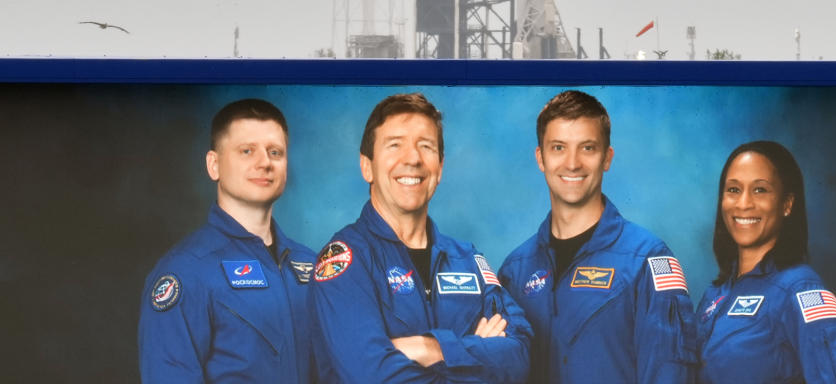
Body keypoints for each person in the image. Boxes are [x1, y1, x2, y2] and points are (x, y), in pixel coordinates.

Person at [308, 92, 532, 383]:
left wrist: (430, 347)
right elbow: (373, 375)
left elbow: (520, 354)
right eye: (395, 145)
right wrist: (474, 352)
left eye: (425, 146)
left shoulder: (468, 260)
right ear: (367, 166)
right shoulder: (344, 261)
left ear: (440, 167)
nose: (412, 159)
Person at [498, 90, 696, 383]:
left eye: (587, 148)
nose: (573, 163)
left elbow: (669, 373)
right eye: (558, 148)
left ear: (607, 157)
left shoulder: (648, 260)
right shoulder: (516, 269)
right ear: (540, 158)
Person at [138, 99, 321, 383]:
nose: (265, 163)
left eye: (275, 152)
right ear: (214, 165)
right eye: (247, 151)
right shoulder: (185, 273)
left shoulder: (310, 264)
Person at [695, 140, 836, 383]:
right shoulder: (716, 295)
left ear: (787, 204)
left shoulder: (801, 290)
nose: (744, 203)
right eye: (733, 190)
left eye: (760, 190)